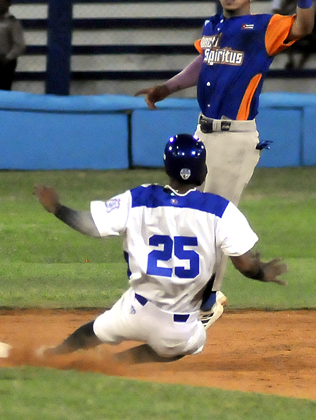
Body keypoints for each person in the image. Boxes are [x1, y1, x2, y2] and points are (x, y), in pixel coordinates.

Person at [134, 0, 314, 328]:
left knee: (211, 218)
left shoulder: (263, 25)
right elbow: (204, 62)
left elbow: (305, 25)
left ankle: (207, 300)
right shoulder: (213, 26)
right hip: (204, 132)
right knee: (188, 212)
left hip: (234, 137)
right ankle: (196, 294)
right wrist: (166, 88)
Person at [33, 134, 288, 364]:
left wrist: (57, 208)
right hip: (177, 327)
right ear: (202, 169)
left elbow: (91, 226)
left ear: (168, 167)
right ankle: (116, 363)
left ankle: (52, 356)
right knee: (188, 345)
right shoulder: (220, 210)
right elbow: (245, 264)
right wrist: (262, 273)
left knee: (95, 330)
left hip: (133, 312)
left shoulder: (140, 198)